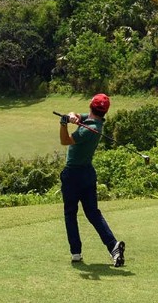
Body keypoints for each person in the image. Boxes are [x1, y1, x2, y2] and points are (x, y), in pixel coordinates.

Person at [59, 92, 125, 267]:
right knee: (93, 213)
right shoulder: (96, 122)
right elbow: (80, 115)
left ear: (91, 104)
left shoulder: (87, 130)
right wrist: (73, 116)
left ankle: (76, 252)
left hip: (73, 174)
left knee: (70, 213)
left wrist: (63, 124)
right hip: (88, 173)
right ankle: (113, 247)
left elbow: (65, 141)